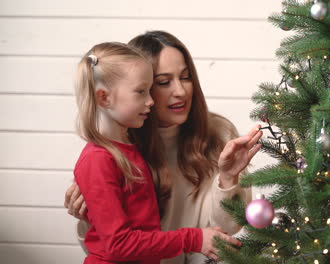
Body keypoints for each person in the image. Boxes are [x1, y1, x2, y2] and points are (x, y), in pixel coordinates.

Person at [65, 31, 262, 263]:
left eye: (186, 77)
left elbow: (223, 232)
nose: (180, 91)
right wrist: (86, 216)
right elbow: (108, 246)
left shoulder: (218, 133)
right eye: (163, 82)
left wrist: (228, 178)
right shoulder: (115, 151)